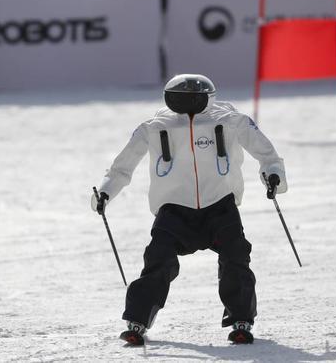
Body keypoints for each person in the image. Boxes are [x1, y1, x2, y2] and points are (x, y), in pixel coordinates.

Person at [91, 74, 287, 346]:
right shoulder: (154, 127)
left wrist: (273, 175)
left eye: (195, 96)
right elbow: (122, 166)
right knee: (158, 259)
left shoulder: (230, 120)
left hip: (219, 206)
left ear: (208, 97)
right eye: (180, 96)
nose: (188, 101)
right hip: (174, 210)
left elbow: (266, 153)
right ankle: (137, 320)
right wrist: (105, 192)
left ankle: (241, 318)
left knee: (236, 256)